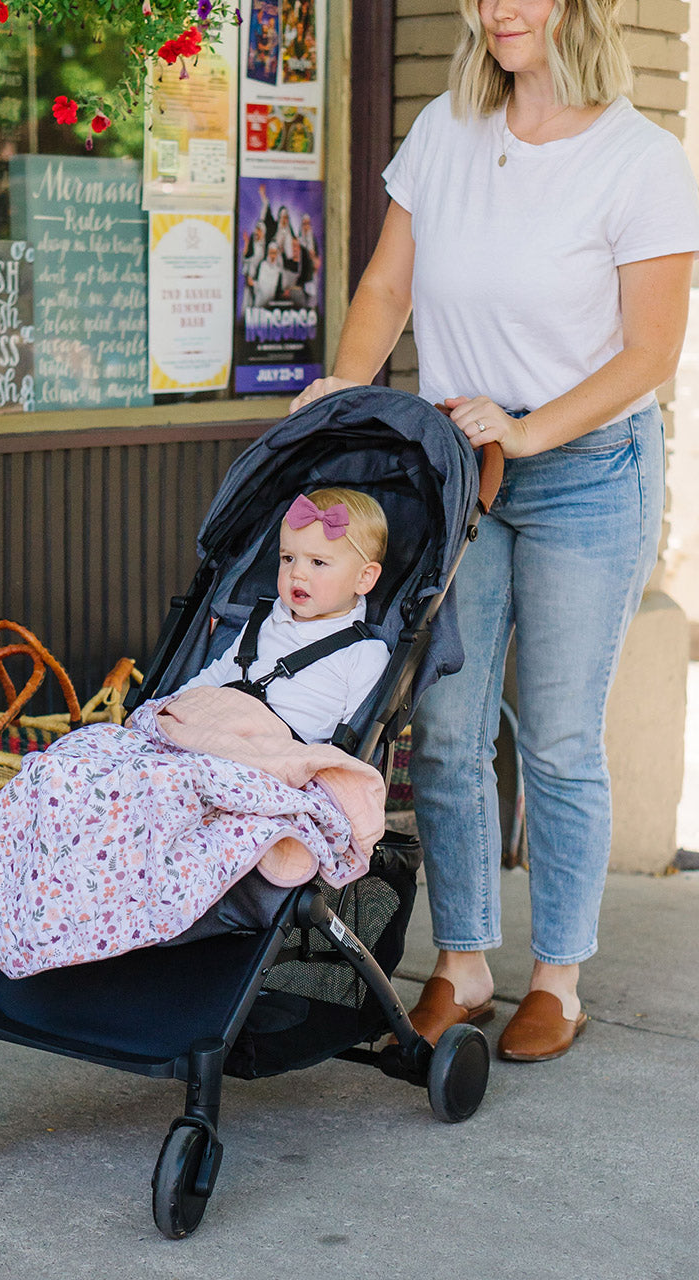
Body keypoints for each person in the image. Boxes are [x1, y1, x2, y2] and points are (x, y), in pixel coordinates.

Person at [288, 0, 699, 1061]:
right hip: (460, 475)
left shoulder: (641, 161)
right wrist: (347, 387)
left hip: (586, 476)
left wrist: (527, 427)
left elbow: (649, 353)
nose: (498, 7)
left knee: (558, 737)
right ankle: (463, 962)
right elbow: (388, 284)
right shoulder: (444, 133)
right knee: (451, 728)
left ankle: (559, 976)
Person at [178, 487, 391, 745]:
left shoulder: (363, 654)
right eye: (288, 558)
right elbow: (215, 675)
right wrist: (170, 705)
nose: (296, 573)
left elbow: (354, 739)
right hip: (214, 731)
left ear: (364, 577)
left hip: (276, 757)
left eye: (318, 562)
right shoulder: (264, 621)